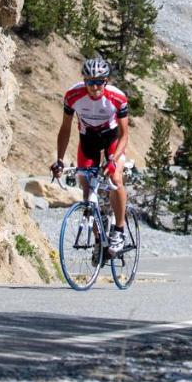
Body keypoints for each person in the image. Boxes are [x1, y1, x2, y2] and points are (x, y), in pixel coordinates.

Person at [52, 57, 130, 255]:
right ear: (84, 81)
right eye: (90, 82)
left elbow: (124, 134)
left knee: (115, 178)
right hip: (88, 141)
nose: (94, 87)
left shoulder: (117, 98)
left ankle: (119, 230)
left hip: (112, 141)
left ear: (106, 81)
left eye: (99, 82)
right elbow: (65, 129)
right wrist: (60, 160)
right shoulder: (72, 96)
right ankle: (99, 240)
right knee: (88, 191)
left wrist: (113, 160)